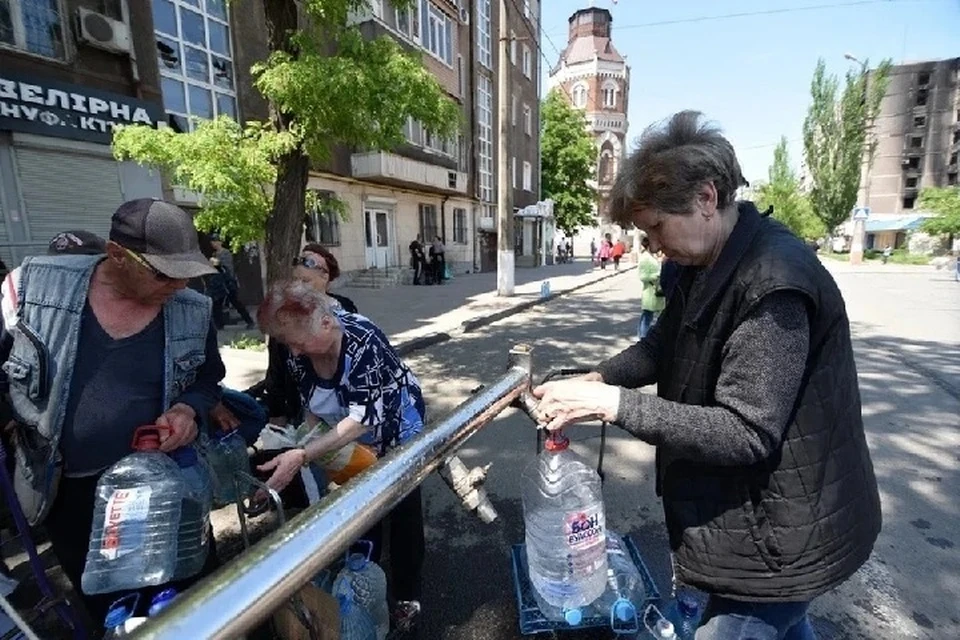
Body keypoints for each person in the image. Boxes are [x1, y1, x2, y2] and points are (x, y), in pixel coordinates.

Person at [532, 111, 881, 640]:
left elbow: (746, 431)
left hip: (777, 542)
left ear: (706, 199)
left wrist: (612, 406)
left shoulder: (774, 283)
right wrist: (596, 380)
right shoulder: (701, 263)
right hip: (756, 525)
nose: (651, 246)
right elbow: (659, 347)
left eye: (655, 228)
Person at [0, 198, 225, 626]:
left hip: (164, 488)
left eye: (186, 274)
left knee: (192, 603)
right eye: (163, 273)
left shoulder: (193, 310)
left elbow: (207, 379)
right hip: (68, 493)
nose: (178, 287)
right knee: (111, 611)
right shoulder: (32, 290)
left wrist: (188, 410)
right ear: (117, 254)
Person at [255, 280, 425, 630]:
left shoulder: (364, 340)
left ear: (326, 323)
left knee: (403, 505)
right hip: (344, 430)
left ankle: (407, 595)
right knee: (362, 505)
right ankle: (363, 583)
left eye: (298, 343)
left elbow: (361, 421)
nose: (295, 352)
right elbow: (313, 405)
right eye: (288, 344)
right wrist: (306, 438)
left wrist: (302, 454)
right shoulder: (297, 350)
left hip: (393, 424)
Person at [260, 244, 358, 426]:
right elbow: (276, 370)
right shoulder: (285, 316)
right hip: (304, 410)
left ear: (325, 277)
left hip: (348, 409)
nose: (299, 288)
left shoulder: (346, 309)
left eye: (305, 281)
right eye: (295, 281)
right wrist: (277, 416)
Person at [210, 233, 255, 329]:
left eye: (215, 241)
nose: (213, 244)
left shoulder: (225, 253)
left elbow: (228, 267)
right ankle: (219, 325)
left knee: (236, 302)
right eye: (212, 242)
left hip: (228, 282)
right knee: (217, 304)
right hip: (219, 283)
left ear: (219, 242)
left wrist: (217, 264)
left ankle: (249, 321)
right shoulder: (214, 254)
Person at [636, 237, 665, 339]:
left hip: (655, 290)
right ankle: (643, 337)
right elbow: (642, 276)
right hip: (650, 290)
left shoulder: (651, 256)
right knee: (647, 315)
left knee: (648, 315)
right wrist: (657, 275)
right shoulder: (645, 258)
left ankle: (642, 336)